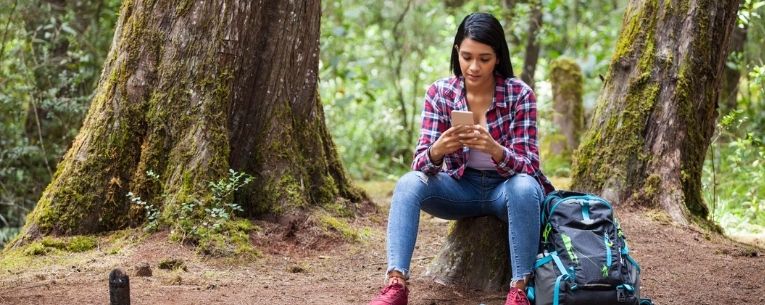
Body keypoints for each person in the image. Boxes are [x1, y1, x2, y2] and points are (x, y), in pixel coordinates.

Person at [367, 12, 555, 305]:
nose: (474, 66)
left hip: (504, 191)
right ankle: (396, 284)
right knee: (407, 184)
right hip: (458, 187)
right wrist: (438, 149)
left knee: (524, 187)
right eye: (467, 57)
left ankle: (519, 289)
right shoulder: (440, 93)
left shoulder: (520, 95)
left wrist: (495, 150)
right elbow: (420, 163)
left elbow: (530, 166)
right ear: (457, 53)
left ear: (498, 57)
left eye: (484, 58)